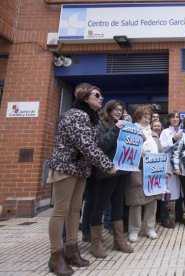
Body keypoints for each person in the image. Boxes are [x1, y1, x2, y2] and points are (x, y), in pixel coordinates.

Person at [46, 84, 116, 275]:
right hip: (66, 167)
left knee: (75, 210)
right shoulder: (76, 115)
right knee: (61, 209)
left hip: (81, 170)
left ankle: (71, 249)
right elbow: (86, 145)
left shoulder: (91, 119)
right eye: (97, 95)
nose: (101, 98)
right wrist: (107, 165)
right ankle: (56, 255)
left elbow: (95, 144)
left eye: (101, 95)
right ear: (85, 98)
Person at [89, 100, 134, 258]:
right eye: (115, 109)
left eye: (121, 110)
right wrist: (116, 128)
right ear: (108, 110)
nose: (118, 112)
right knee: (99, 206)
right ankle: (95, 244)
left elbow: (130, 145)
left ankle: (119, 240)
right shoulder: (101, 125)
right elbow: (101, 146)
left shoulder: (122, 125)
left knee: (118, 205)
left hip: (122, 170)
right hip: (106, 171)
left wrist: (138, 136)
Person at [127, 106, 164, 242]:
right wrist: (138, 151)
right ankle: (134, 230)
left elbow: (161, 151)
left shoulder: (154, 134)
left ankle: (149, 228)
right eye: (144, 117)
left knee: (152, 200)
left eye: (149, 117)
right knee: (136, 201)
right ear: (138, 117)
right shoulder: (132, 131)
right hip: (138, 169)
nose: (147, 120)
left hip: (153, 170)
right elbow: (127, 149)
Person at [160, 111, 185, 225]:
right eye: (173, 117)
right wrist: (174, 139)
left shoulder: (182, 131)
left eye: (177, 117)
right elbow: (163, 147)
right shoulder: (165, 132)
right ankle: (166, 217)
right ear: (169, 119)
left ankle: (179, 215)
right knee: (168, 190)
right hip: (169, 164)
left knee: (180, 189)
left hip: (181, 164)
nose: (175, 119)